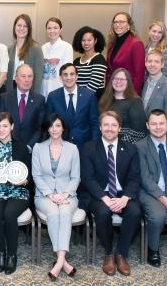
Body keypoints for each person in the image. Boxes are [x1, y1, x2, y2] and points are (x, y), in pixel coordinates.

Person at [79, 111, 141, 276]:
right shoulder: (89, 148)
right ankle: (108, 252)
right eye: (106, 125)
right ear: (100, 127)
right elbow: (87, 178)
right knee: (103, 211)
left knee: (135, 211)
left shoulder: (130, 149)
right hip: (97, 194)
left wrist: (125, 198)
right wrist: (105, 198)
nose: (109, 128)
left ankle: (121, 253)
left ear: (119, 128)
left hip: (122, 193)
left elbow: (135, 178)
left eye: (114, 125)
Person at [0, 112, 31, 275]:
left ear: (12, 126)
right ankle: (1, 252)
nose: (1, 130)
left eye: (5, 126)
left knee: (10, 214)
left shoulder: (21, 147)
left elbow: (29, 174)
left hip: (18, 191)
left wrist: (24, 180)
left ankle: (12, 255)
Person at [32, 113, 80, 281]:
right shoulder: (38, 148)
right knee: (53, 213)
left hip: (68, 195)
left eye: (58, 125)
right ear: (47, 128)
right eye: (52, 126)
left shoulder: (73, 149)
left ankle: (59, 261)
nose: (54, 129)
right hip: (44, 195)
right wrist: (50, 194)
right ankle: (64, 262)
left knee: (65, 213)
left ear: (63, 128)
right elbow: (36, 175)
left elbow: (76, 177)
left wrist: (64, 194)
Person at [136, 109, 167, 267]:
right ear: (147, 125)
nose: (158, 127)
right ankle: (153, 249)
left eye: (161, 123)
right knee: (158, 216)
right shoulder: (140, 146)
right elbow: (145, 179)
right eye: (154, 123)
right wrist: (163, 198)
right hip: (150, 192)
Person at [46, 63, 99, 149]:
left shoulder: (89, 95)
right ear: (60, 78)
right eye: (65, 74)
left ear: (77, 76)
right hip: (60, 146)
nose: (69, 77)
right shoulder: (53, 97)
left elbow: (95, 123)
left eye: (72, 74)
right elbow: (48, 123)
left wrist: (94, 145)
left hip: (84, 146)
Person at [0, 64, 45, 151]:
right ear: (15, 78)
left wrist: (29, 146)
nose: (27, 80)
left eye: (30, 76)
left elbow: (40, 128)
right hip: (8, 149)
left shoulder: (40, 100)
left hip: (30, 150)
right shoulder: (4, 98)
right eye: (23, 76)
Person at [99, 68, 147, 144]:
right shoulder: (105, 99)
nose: (118, 81)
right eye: (116, 79)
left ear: (128, 82)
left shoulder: (135, 102)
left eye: (122, 79)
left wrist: (117, 143)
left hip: (126, 147)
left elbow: (139, 132)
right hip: (105, 144)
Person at [106, 12, 145, 94]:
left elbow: (139, 74)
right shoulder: (112, 43)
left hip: (127, 92)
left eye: (122, 22)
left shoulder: (136, 44)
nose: (118, 24)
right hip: (112, 91)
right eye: (115, 22)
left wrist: (132, 95)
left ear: (129, 25)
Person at [7, 14, 44, 94]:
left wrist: (35, 96)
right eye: (19, 25)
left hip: (29, 91)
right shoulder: (9, 49)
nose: (22, 28)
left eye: (25, 26)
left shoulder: (36, 48)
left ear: (29, 29)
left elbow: (39, 75)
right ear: (14, 27)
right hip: (12, 90)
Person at [41, 17, 73, 98]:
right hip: (43, 90)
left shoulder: (67, 47)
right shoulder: (43, 48)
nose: (52, 31)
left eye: (55, 28)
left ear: (60, 30)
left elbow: (68, 72)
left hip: (59, 91)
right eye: (49, 28)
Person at [72, 26, 107, 99]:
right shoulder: (76, 61)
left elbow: (94, 84)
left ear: (95, 41)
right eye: (83, 40)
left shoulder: (99, 59)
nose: (86, 43)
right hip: (79, 100)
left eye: (89, 40)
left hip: (94, 101)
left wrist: (80, 98)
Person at [142, 49, 167, 115]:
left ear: (162, 65)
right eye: (150, 61)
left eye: (156, 62)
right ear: (145, 63)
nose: (152, 64)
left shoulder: (165, 85)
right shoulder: (145, 83)